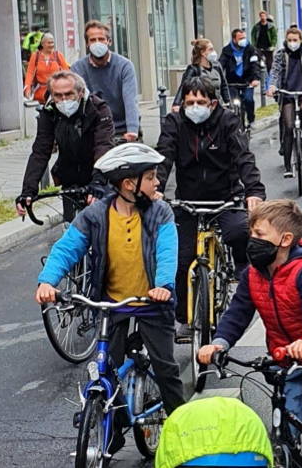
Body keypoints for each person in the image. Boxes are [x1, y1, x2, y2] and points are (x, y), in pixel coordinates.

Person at [197, 199, 302, 468]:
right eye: (252, 233)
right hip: (286, 355)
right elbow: (237, 313)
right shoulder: (253, 275)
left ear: (285, 239)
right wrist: (219, 345)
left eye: (259, 234)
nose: (251, 239)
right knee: (289, 416)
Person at [35, 142, 186, 445]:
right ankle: (112, 432)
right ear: (129, 184)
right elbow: (67, 248)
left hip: (151, 303)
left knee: (165, 368)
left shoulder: (160, 212)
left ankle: (183, 430)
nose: (158, 182)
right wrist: (48, 281)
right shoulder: (96, 215)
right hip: (111, 303)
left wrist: (163, 286)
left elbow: (168, 251)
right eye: (151, 177)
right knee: (108, 369)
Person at [156, 76, 266, 342]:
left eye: (201, 102)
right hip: (188, 203)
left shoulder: (227, 121)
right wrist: (156, 187)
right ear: (182, 103)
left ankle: (239, 267)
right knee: (181, 262)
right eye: (190, 102)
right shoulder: (174, 123)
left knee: (239, 232)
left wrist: (253, 191)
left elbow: (243, 157)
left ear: (213, 103)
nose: (195, 106)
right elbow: (164, 156)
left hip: (225, 198)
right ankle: (183, 317)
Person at [17, 70, 114, 222]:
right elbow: (41, 151)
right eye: (58, 95)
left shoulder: (98, 108)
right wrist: (28, 190)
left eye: (69, 94)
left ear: (80, 93)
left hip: (97, 171)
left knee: (104, 226)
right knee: (71, 230)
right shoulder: (49, 112)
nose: (63, 100)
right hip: (69, 174)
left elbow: (103, 145)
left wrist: (98, 180)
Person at [267, 26, 302, 176]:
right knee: (289, 126)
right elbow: (275, 72)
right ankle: (287, 167)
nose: (292, 43)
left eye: (295, 40)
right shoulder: (280, 54)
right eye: (289, 40)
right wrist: (272, 86)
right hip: (287, 94)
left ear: (301, 40)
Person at [71, 20, 140, 142]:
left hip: (122, 129)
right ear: (87, 43)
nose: (97, 43)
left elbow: (130, 100)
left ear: (109, 41)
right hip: (93, 130)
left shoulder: (124, 66)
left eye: (101, 39)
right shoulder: (78, 68)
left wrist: (132, 130)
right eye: (92, 40)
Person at [172, 38, 230, 111]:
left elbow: (223, 85)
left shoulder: (217, 66)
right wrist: (176, 104)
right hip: (202, 107)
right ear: (202, 52)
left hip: (217, 107)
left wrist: (228, 102)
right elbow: (183, 87)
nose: (214, 52)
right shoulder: (193, 69)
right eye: (210, 49)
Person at [219, 28, 261, 128]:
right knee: (233, 103)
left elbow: (255, 64)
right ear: (234, 40)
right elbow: (220, 65)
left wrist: (255, 78)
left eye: (244, 38)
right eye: (240, 38)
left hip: (247, 81)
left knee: (248, 100)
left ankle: (251, 119)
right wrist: (219, 78)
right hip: (232, 82)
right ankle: (236, 124)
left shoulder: (250, 49)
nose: (243, 40)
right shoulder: (227, 51)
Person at [23, 32, 69, 103]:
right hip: (40, 95)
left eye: (52, 43)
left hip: (56, 93)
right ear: (42, 44)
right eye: (49, 43)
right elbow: (30, 73)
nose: (51, 45)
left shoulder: (58, 55)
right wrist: (27, 88)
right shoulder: (35, 56)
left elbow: (67, 74)